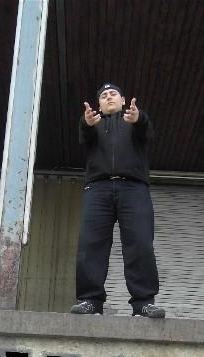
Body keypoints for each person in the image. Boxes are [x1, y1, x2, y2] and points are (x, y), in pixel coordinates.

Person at [70, 82, 165, 318]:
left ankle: (143, 303)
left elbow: (148, 132)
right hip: (97, 189)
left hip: (134, 188)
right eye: (104, 95)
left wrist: (139, 119)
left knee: (140, 243)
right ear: (99, 103)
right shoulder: (93, 123)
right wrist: (86, 123)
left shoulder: (133, 120)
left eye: (113, 94)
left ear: (123, 100)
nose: (109, 97)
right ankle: (91, 301)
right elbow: (84, 134)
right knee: (91, 244)